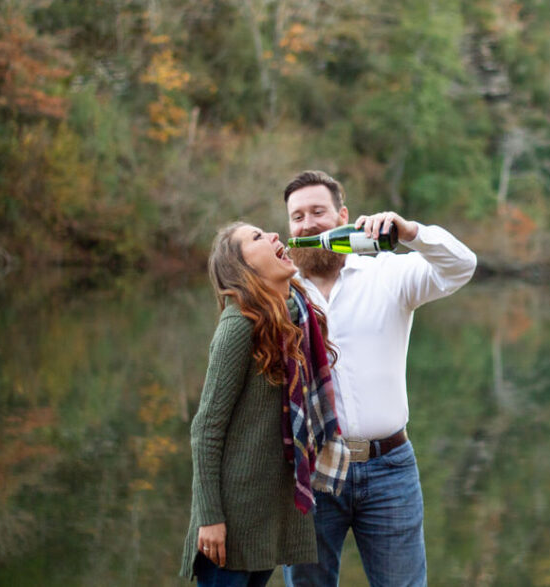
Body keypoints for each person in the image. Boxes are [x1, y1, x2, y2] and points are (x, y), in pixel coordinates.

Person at [281, 171, 477, 587]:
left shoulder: (387, 274)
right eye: (297, 217)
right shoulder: (279, 296)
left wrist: (411, 232)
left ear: (344, 217)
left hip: (390, 468)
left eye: (319, 212)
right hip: (311, 472)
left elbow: (462, 266)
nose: (308, 224)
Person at [179, 222, 350, 586]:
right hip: (230, 524)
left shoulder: (294, 318)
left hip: (268, 517)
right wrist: (209, 518)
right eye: (257, 238)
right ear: (244, 268)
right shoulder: (238, 326)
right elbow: (205, 430)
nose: (274, 236)